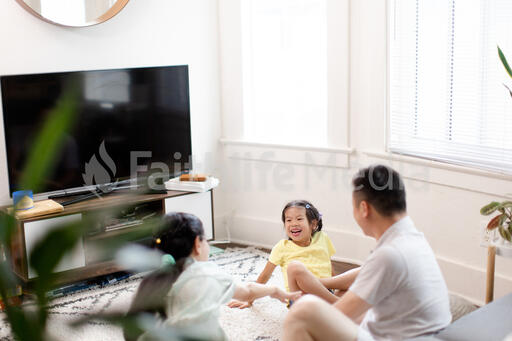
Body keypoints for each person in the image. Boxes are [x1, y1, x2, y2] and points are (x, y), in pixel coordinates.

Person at [282, 165, 452, 341]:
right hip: (415, 330)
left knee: (303, 311)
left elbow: (337, 316)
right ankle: (322, 283)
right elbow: (369, 279)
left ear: (364, 208)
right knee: (353, 284)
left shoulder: (390, 254)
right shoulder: (413, 238)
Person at [125, 212, 300, 341]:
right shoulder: (207, 274)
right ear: (197, 245)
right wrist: (275, 290)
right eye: (206, 240)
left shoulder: (152, 279)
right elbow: (247, 291)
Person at [229, 200, 339, 309]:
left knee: (354, 275)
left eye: (299, 219)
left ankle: (334, 304)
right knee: (295, 268)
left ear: (313, 224)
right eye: (288, 220)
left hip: (325, 292)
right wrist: (249, 300)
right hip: (300, 297)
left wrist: (337, 287)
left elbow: (328, 265)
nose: (294, 223)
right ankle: (337, 304)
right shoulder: (282, 248)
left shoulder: (322, 238)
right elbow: (265, 275)